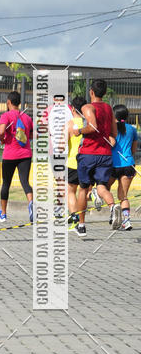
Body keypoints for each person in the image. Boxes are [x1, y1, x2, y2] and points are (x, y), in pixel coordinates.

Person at [73, 79, 117, 237]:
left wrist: (79, 131)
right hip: (105, 154)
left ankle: (82, 225)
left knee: (83, 189)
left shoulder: (87, 107)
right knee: (101, 186)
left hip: (88, 154)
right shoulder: (108, 108)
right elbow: (114, 134)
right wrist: (109, 139)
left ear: (91, 92)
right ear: (104, 93)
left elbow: (92, 126)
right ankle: (112, 206)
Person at [0, 91, 34, 222]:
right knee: (25, 182)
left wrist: (2, 139)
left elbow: (1, 131)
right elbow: (34, 135)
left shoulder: (6, 115)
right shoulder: (27, 118)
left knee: (6, 183)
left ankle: (4, 213)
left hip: (10, 154)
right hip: (25, 154)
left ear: (8, 102)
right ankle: (31, 203)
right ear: (19, 103)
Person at [108, 104, 137, 231]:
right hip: (128, 164)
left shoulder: (111, 129)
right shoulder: (132, 129)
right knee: (123, 196)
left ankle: (113, 212)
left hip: (113, 165)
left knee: (104, 189)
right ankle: (126, 221)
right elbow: (134, 150)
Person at [67, 95, 86, 226]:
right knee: (83, 191)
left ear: (72, 109)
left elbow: (63, 144)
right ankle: (81, 219)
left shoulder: (69, 124)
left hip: (72, 162)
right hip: (86, 161)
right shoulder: (88, 123)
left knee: (71, 191)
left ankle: (74, 216)